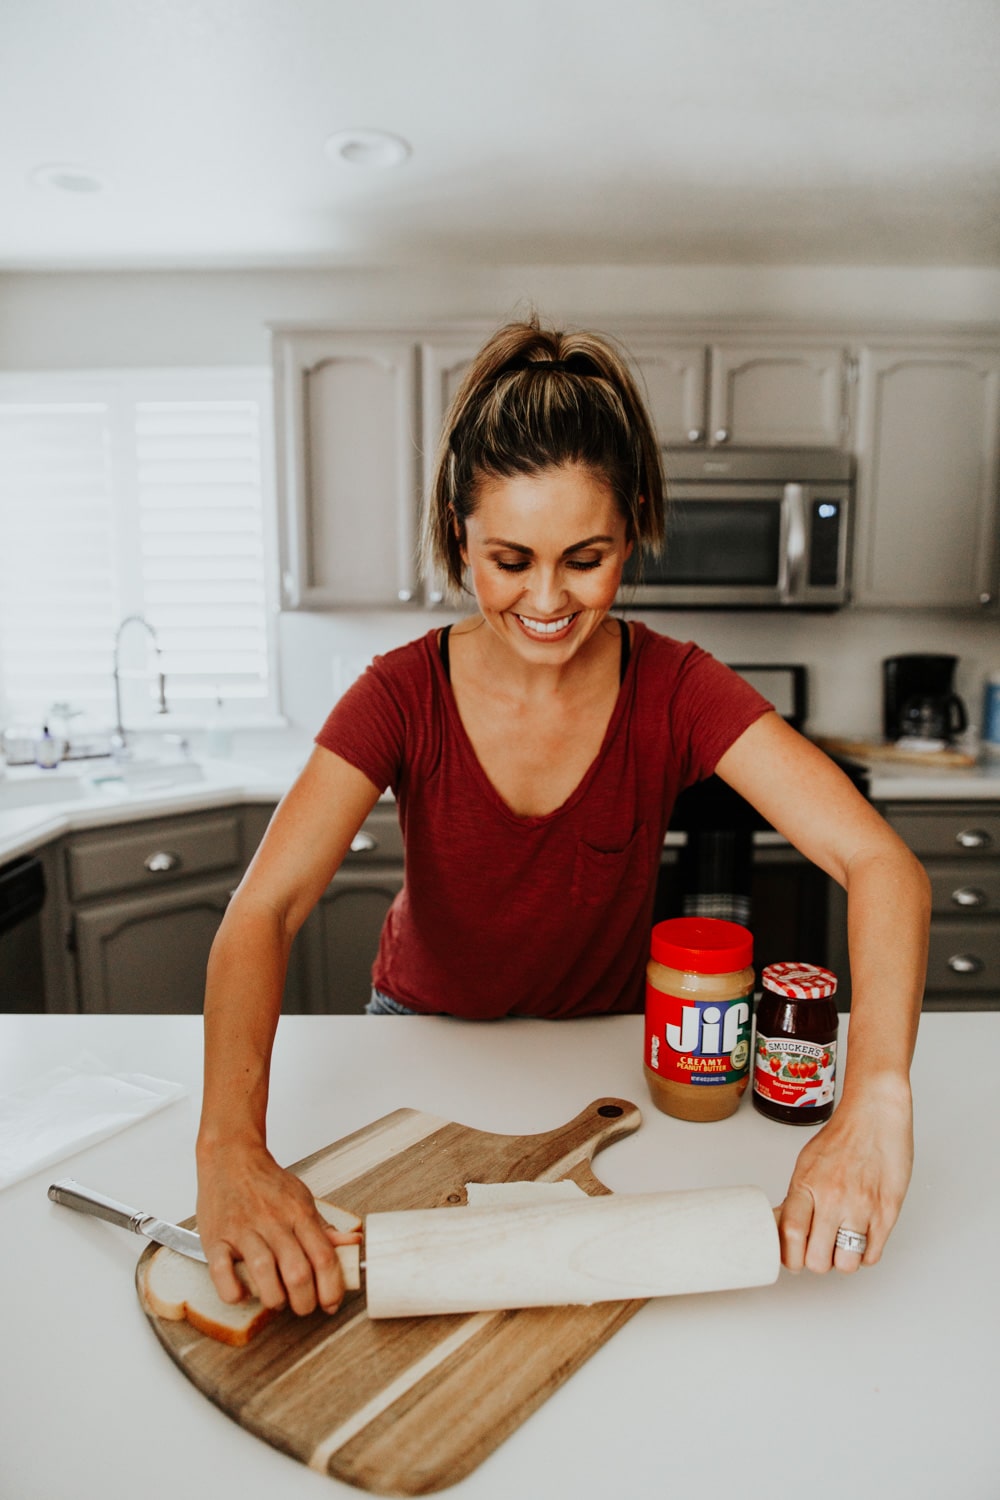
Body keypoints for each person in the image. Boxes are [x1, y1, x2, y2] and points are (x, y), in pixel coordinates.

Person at [195, 316, 930, 1321]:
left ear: (629, 529)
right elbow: (264, 909)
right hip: (419, 1042)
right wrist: (229, 1146)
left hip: (599, 1056)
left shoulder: (675, 686)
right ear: (460, 533)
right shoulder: (399, 694)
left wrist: (876, 1104)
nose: (546, 599)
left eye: (584, 559)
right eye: (509, 559)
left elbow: (879, 863)